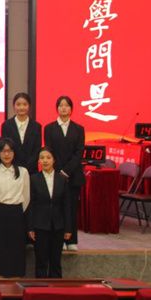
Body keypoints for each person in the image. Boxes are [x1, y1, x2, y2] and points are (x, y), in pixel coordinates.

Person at [43, 95, 85, 251]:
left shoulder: (79, 129)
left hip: (73, 175)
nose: (63, 108)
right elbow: (49, 151)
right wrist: (59, 171)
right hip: (55, 174)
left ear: (71, 109)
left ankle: (72, 240)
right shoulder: (49, 128)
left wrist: (66, 171)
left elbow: (79, 152)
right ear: (57, 108)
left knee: (71, 208)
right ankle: (59, 239)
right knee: (58, 208)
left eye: (66, 105)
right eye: (61, 105)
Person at [0, 138, 30, 278]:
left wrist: (16, 210)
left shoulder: (23, 172)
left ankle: (15, 279)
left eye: (10, 151)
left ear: (14, 153)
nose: (6, 154)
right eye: (3, 151)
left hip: (17, 213)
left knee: (16, 248)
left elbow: (26, 196)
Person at [28, 147, 72, 278]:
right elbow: (31, 205)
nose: (45, 160)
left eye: (48, 157)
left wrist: (68, 228)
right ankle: (40, 289)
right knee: (41, 261)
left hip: (58, 226)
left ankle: (56, 288)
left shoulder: (62, 179)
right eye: (42, 158)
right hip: (40, 225)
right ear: (38, 161)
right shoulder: (33, 179)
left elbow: (67, 206)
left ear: (54, 160)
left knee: (56, 261)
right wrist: (30, 227)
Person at [1, 92, 42, 173]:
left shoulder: (36, 126)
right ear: (14, 106)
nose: (21, 107)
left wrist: (27, 168)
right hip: (12, 169)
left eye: (25, 104)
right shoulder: (6, 125)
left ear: (29, 106)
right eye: (18, 104)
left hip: (31, 170)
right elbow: (6, 148)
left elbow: (37, 150)